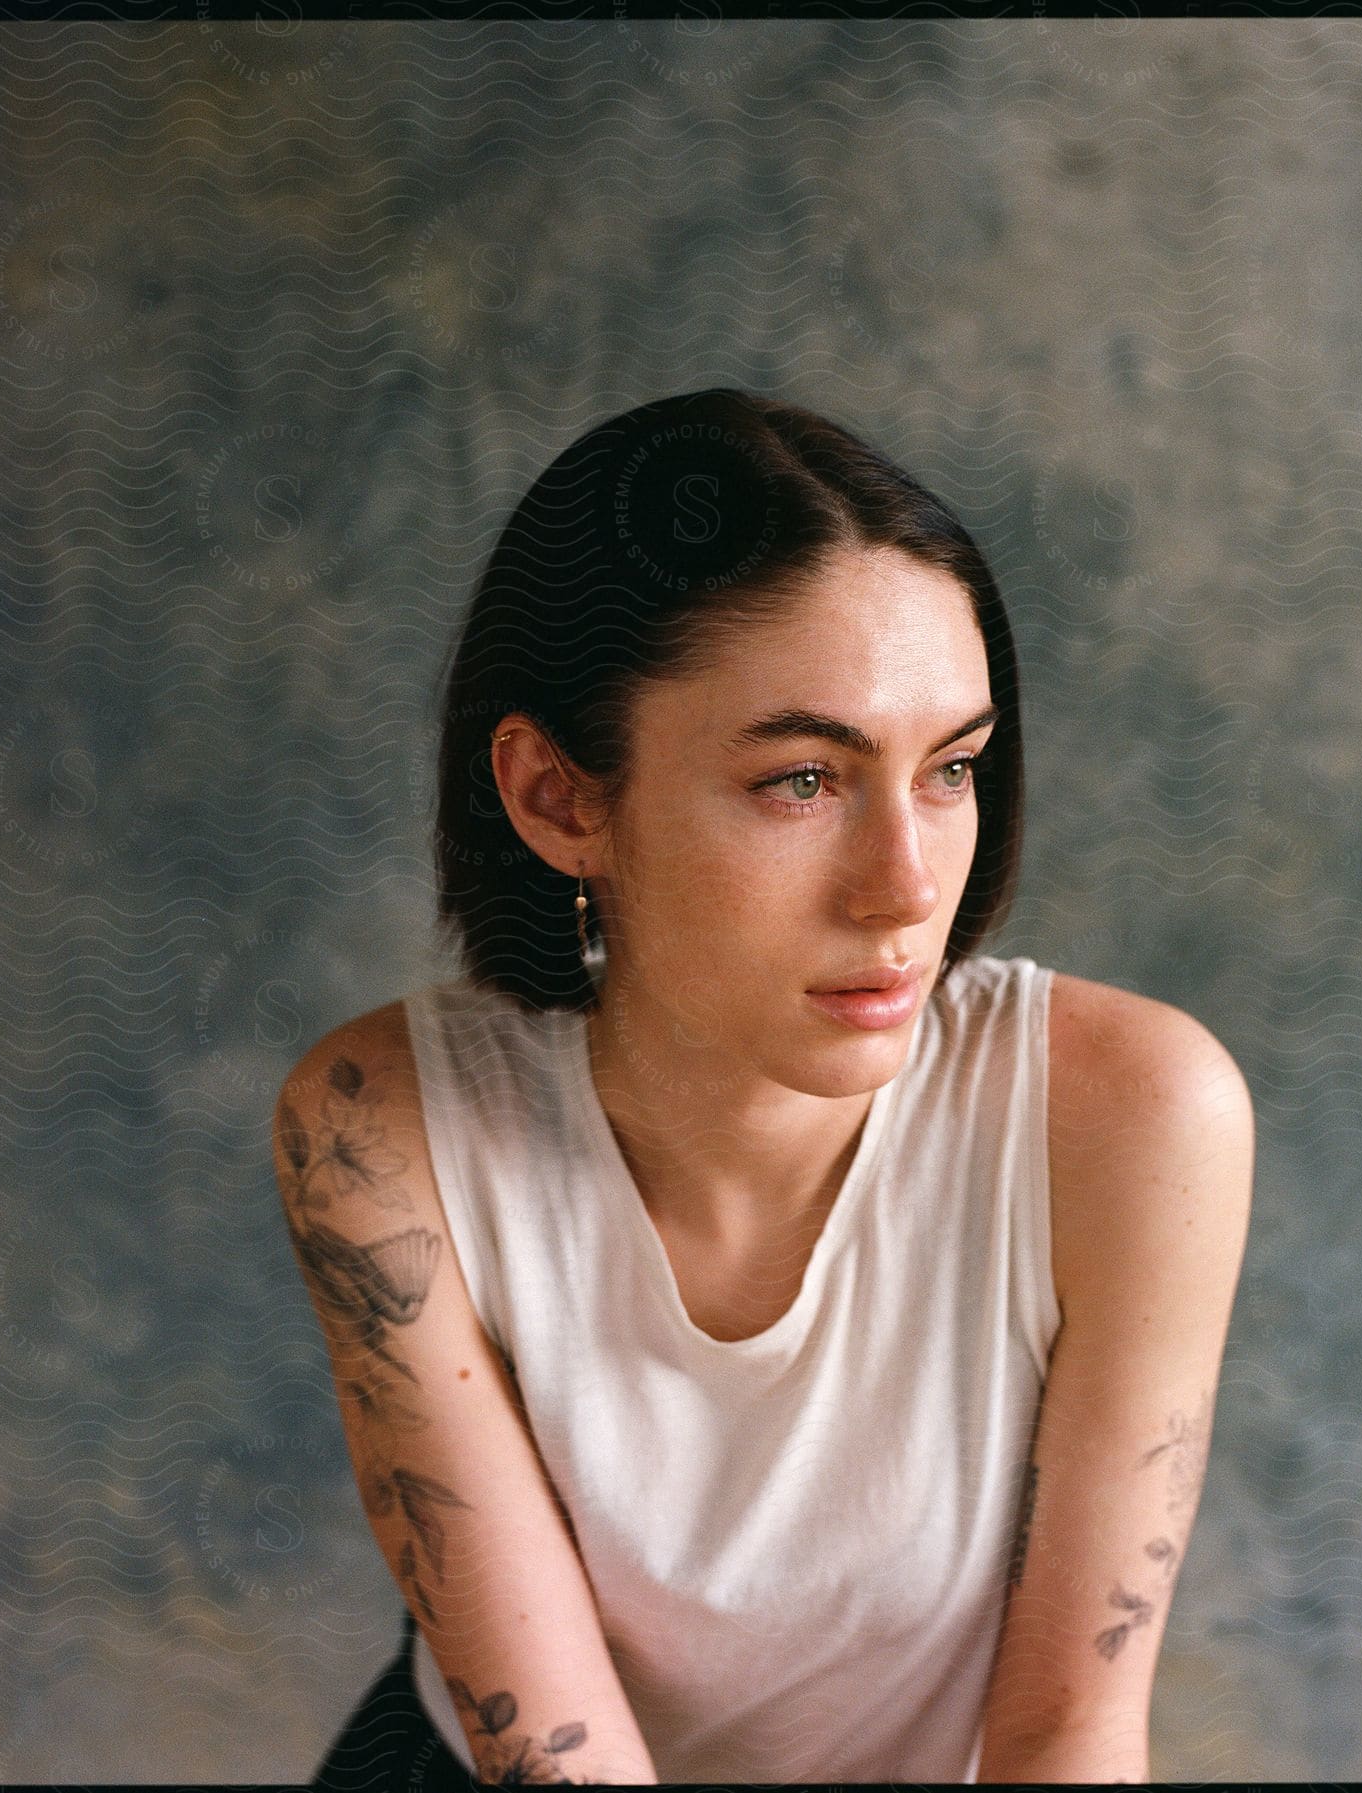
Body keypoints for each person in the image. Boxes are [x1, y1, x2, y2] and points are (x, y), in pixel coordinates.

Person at [278, 388, 1255, 1785]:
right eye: (802, 780)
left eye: (953, 768)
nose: (908, 887)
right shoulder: (381, 1126)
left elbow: (1067, 1732)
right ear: (559, 797)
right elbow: (558, 1757)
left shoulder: (1139, 1115)